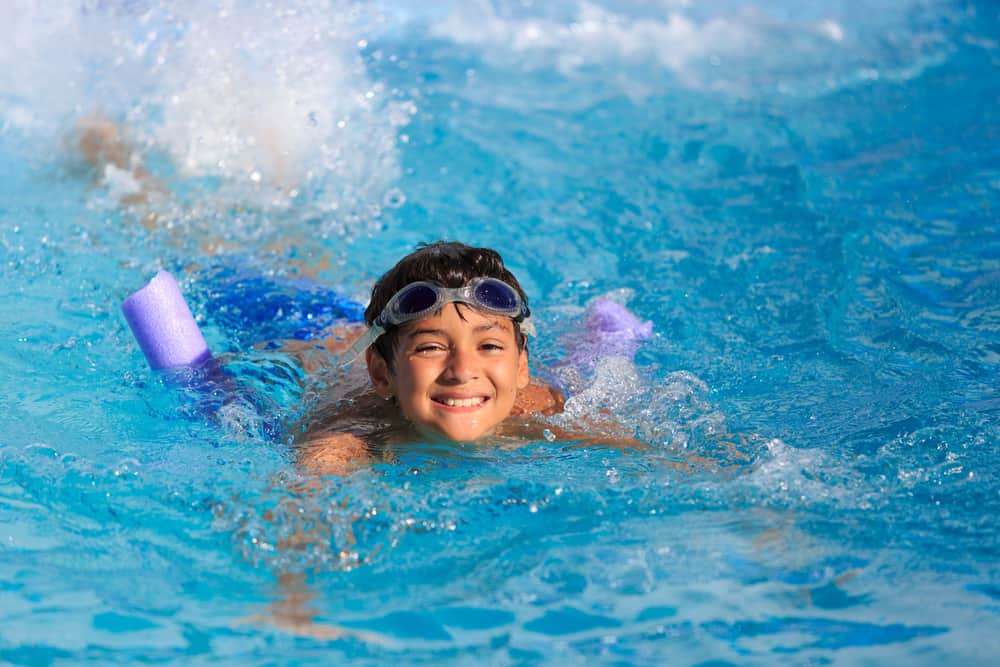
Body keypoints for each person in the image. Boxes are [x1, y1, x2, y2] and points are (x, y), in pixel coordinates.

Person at [293, 241, 645, 476]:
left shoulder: (541, 409)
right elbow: (311, 496)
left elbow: (653, 457)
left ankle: (600, 340)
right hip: (314, 332)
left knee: (583, 370)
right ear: (381, 373)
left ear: (522, 366)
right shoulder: (354, 433)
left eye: (489, 346)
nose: (462, 372)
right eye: (430, 347)